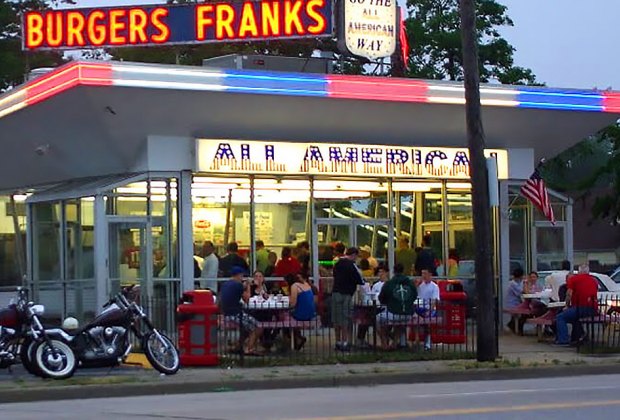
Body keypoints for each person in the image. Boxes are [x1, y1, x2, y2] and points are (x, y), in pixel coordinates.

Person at [219, 266, 263, 355]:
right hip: (235, 314)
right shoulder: (237, 285)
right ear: (239, 275)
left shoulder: (225, 284)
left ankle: (239, 346)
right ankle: (250, 349)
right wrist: (248, 286)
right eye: (242, 276)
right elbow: (247, 299)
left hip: (226, 313)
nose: (242, 278)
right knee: (258, 327)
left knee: (247, 328)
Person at [554, 264, 599, 346]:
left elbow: (569, 294)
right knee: (575, 319)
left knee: (560, 317)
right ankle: (577, 337)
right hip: (593, 309)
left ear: (579, 271)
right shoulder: (594, 280)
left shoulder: (574, 279)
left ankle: (563, 340)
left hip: (580, 308)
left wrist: (567, 305)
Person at [376, 264, 417, 350]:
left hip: (393, 313)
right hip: (408, 314)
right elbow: (414, 296)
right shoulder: (410, 283)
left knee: (377, 319)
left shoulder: (389, 284)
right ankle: (394, 343)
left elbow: (381, 298)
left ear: (393, 271)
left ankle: (384, 343)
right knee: (400, 324)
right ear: (403, 271)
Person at [332, 247, 364, 351]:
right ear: (354, 255)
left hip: (336, 292)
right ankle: (345, 342)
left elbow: (335, 275)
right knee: (345, 319)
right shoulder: (351, 265)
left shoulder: (337, 264)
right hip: (347, 294)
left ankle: (337, 342)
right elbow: (359, 279)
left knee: (337, 319)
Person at [289, 272, 317, 350]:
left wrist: (289, 301)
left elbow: (293, 304)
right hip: (310, 314)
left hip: (301, 314)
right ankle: (297, 338)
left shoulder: (295, 286)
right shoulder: (307, 285)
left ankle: (296, 339)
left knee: (284, 317)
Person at [417, 269, 440, 350]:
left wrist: (429, 310)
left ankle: (428, 342)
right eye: (422, 273)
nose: (423, 276)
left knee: (428, 322)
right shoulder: (420, 285)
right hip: (419, 308)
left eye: (425, 273)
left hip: (430, 309)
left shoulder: (434, 286)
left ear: (430, 274)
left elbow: (434, 301)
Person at [505, 268, 526, 334]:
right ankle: (514, 326)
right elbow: (522, 292)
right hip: (513, 304)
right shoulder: (513, 284)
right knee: (524, 312)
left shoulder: (518, 282)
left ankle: (512, 324)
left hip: (517, 303)